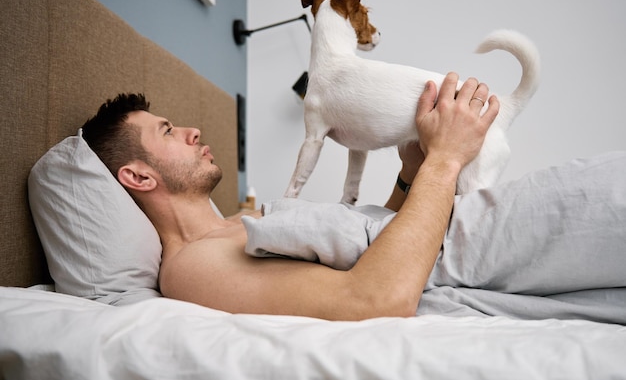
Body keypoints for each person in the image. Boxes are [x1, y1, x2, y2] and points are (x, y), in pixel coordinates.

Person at [81, 72, 626, 322]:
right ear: (138, 177)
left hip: (475, 231)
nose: (192, 131)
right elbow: (375, 299)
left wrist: (412, 175)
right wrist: (446, 159)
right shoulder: (191, 267)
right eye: (169, 131)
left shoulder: (239, 227)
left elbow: (374, 247)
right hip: (480, 243)